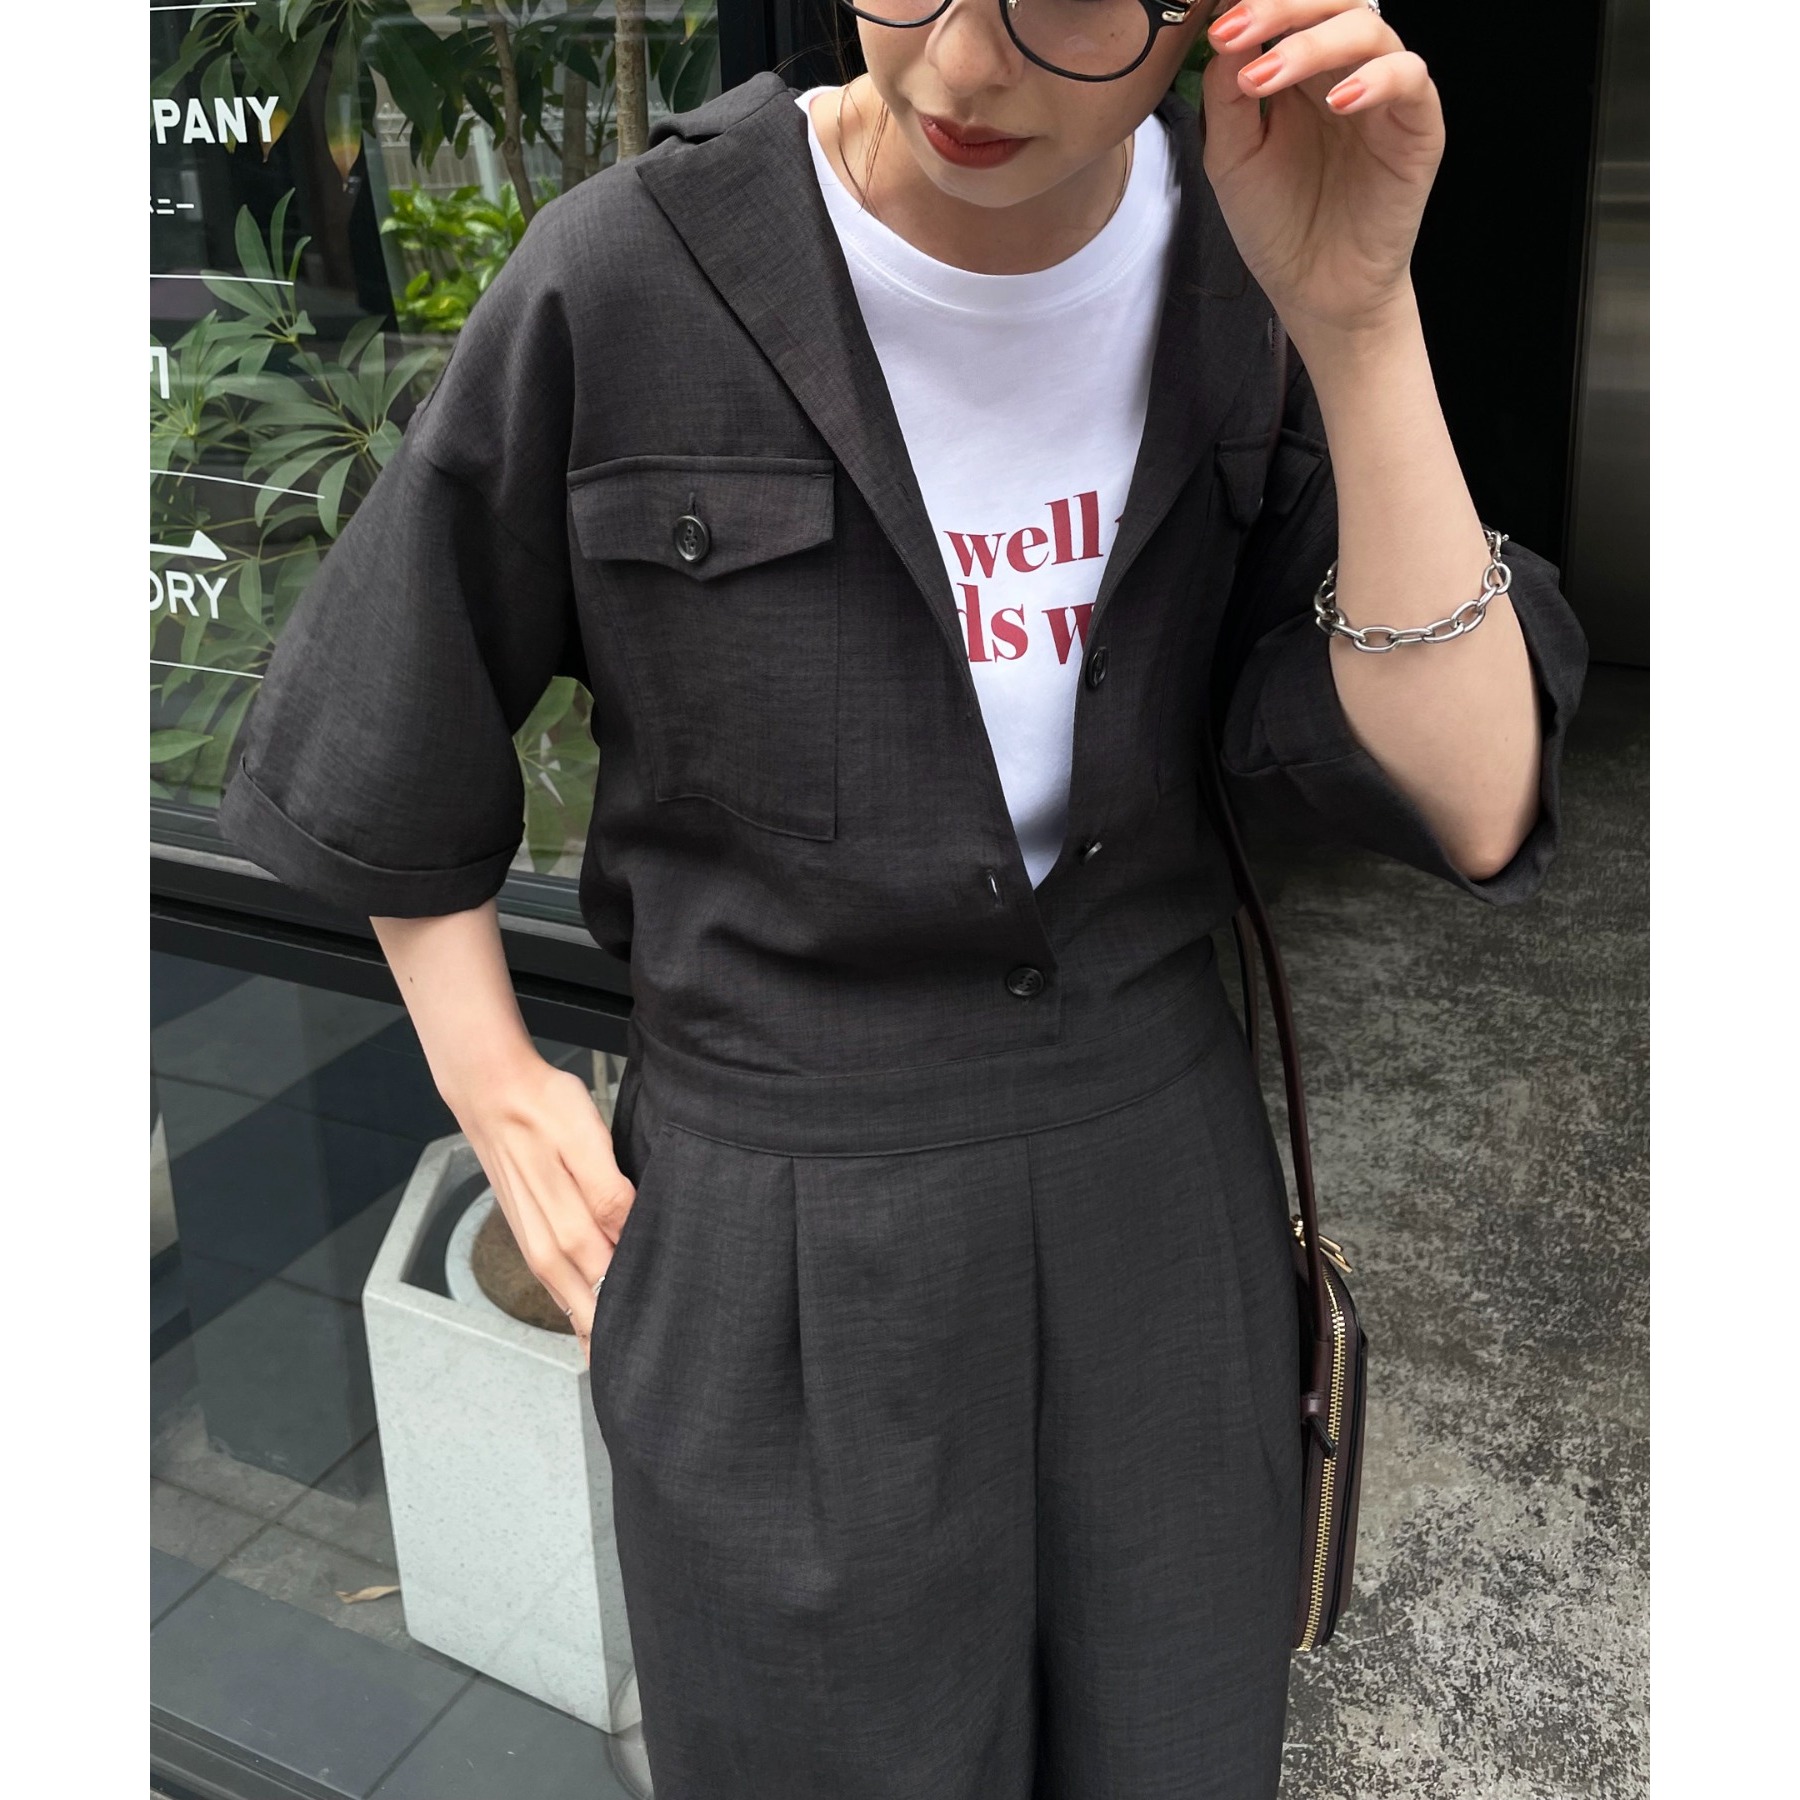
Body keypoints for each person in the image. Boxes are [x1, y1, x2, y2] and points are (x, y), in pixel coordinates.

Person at [217, 1, 1589, 1794]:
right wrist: (495, 1082)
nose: (960, 62)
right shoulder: (635, 275)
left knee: (1175, 1748)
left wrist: (1359, 315)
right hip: (779, 1230)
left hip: (1157, 1210)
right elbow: (393, 698)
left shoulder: (1246, 271)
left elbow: (1474, 797)